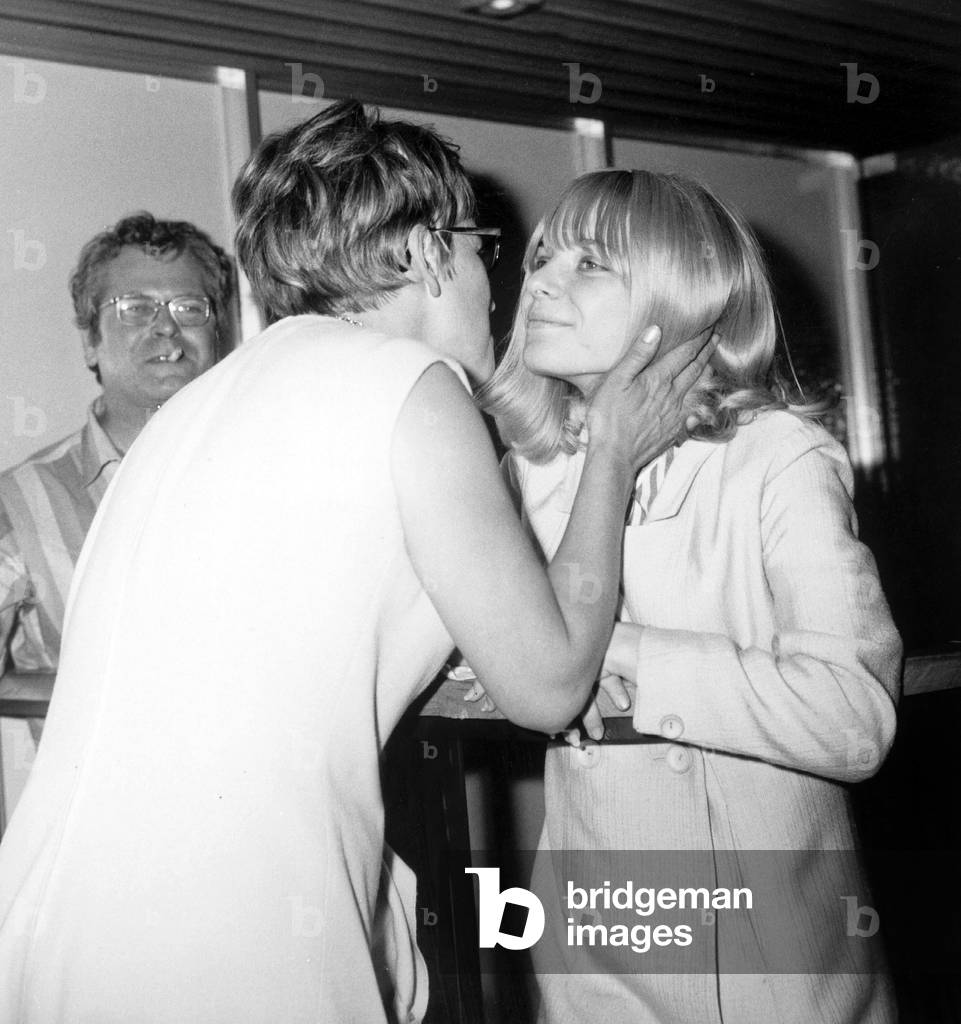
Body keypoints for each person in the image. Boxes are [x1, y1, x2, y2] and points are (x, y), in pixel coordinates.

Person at [0, 104, 712, 1024]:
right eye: (478, 246)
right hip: (220, 940)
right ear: (426, 251)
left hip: (53, 923)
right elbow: (547, 684)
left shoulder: (199, 406)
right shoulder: (410, 385)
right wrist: (612, 447)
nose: (492, 282)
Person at [480, 169, 902, 1023]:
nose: (541, 283)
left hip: (777, 970)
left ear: (675, 299)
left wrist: (615, 651)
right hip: (593, 960)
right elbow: (460, 661)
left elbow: (853, 719)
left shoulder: (775, 457)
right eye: (539, 258)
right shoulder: (526, 472)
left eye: (589, 264)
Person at [0, 213, 232, 756]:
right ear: (90, 341)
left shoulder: (277, 479)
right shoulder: (19, 503)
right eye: (135, 308)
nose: (166, 328)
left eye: (189, 308)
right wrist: (115, 696)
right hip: (92, 827)